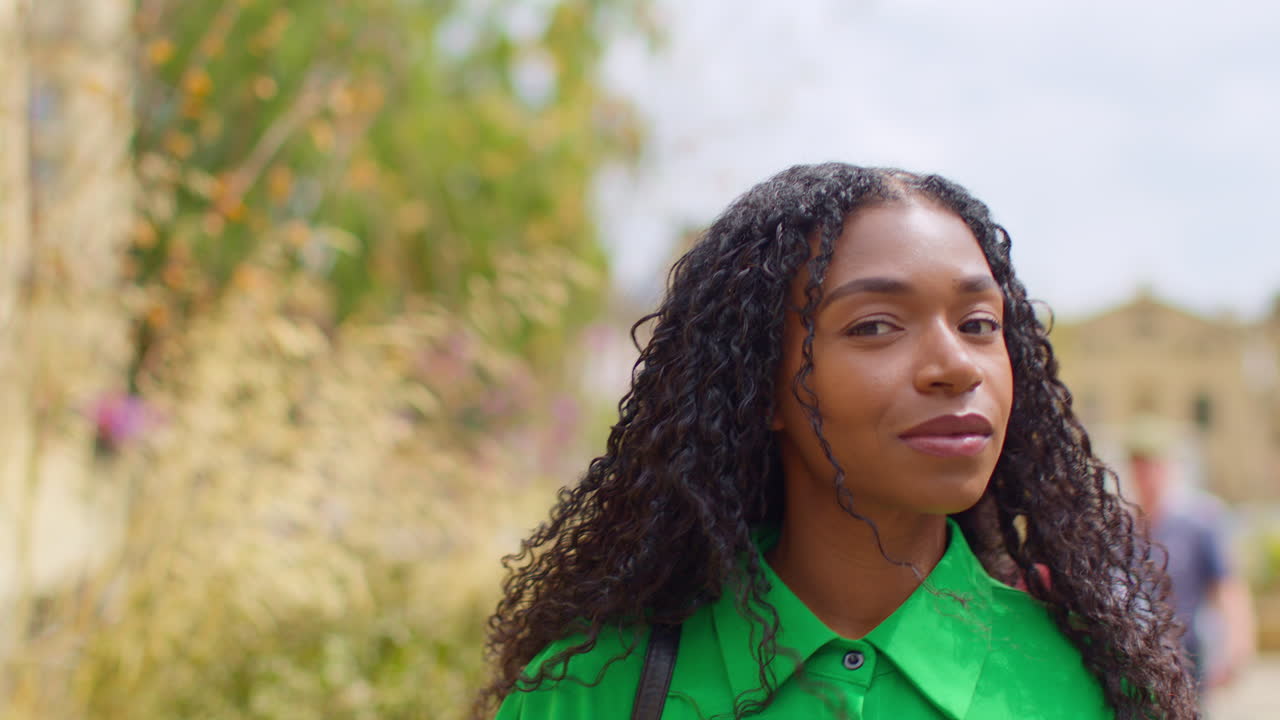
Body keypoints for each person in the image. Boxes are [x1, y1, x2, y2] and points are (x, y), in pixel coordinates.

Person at [476, 164, 1197, 719]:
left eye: (979, 324)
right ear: (762, 386)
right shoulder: (588, 691)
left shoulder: (1098, 683)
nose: (955, 365)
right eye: (875, 325)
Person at [1126, 422, 1257, 698]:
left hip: (1188, 657)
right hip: (1134, 658)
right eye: (1138, 466)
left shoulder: (1201, 520)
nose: (1145, 475)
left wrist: (1237, 644)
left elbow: (1226, 585)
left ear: (1168, 466)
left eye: (1151, 465)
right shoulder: (1125, 527)